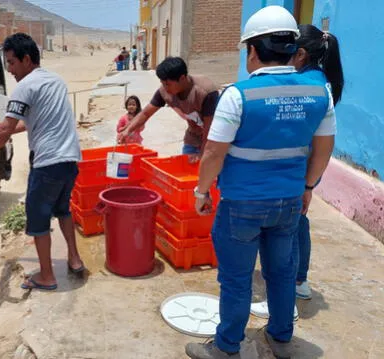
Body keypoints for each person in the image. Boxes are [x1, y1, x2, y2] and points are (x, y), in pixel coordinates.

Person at [185, 6, 336, 359]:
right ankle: (282, 338)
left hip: (242, 205)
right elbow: (323, 150)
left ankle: (226, 347)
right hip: (289, 203)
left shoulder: (237, 95)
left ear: (252, 50)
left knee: (237, 279)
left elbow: (213, 154)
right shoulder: (320, 94)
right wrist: (308, 187)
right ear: (292, 49)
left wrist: (202, 191)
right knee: (281, 273)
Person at [0, 33, 85, 291]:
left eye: (12, 63)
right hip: (69, 160)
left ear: (26, 59)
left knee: (37, 219)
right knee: (63, 210)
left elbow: (5, 129)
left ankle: (47, 276)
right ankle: (75, 259)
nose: (10, 70)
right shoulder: (55, 81)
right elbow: (35, 123)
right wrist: (4, 131)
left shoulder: (25, 86)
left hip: (47, 164)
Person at [250, 23, 345, 319]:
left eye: (288, 49)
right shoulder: (321, 84)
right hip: (304, 171)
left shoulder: (309, 87)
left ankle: (284, 298)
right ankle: (300, 281)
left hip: (297, 171)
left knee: (283, 232)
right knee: (297, 224)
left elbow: (321, 143)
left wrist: (307, 184)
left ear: (300, 54)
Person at [117, 56, 219, 162]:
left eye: (168, 84)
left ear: (182, 78)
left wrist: (203, 155)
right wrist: (127, 130)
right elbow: (146, 113)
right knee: (187, 171)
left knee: (208, 171)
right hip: (193, 137)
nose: (165, 88)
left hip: (215, 139)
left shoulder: (205, 92)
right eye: (162, 83)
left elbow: (210, 128)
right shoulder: (165, 92)